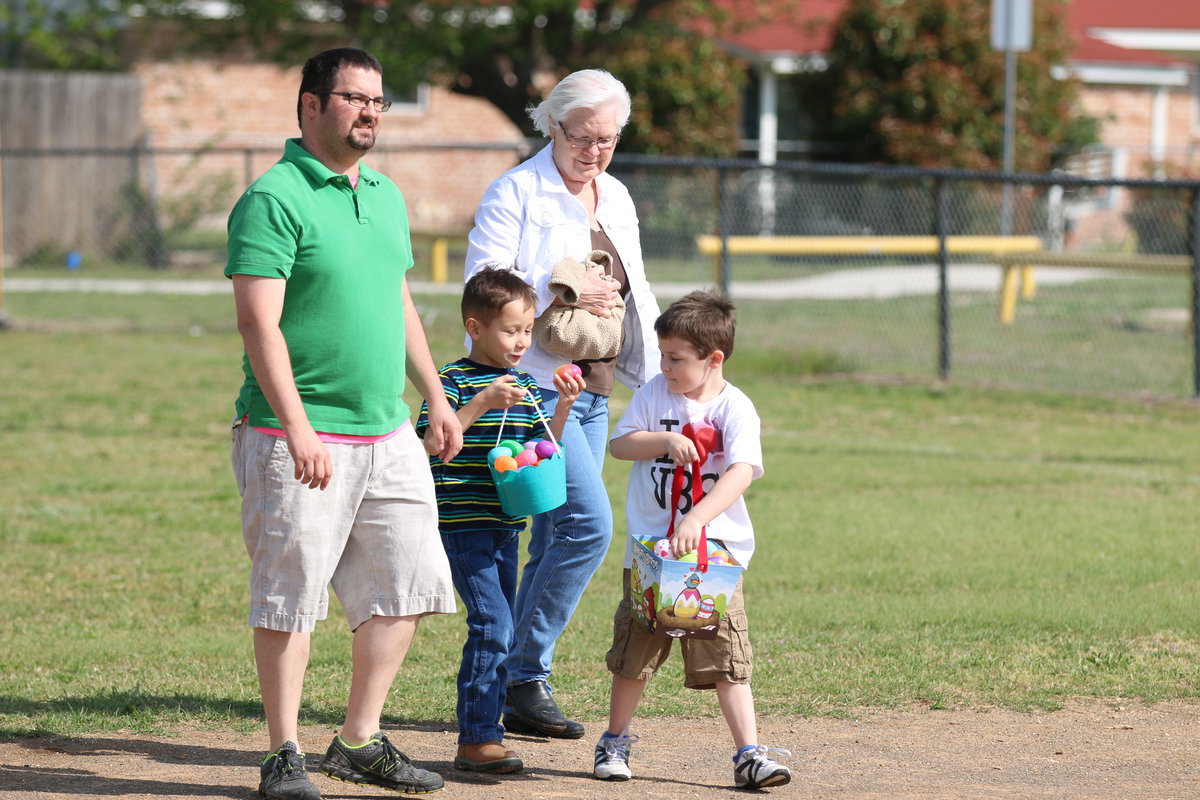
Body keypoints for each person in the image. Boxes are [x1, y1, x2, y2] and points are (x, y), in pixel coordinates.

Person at [226, 47, 461, 800]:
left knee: (408, 585)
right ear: (310, 105)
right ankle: (283, 753)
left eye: (378, 102)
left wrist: (436, 395)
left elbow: (397, 305)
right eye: (354, 98)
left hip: (387, 431)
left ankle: (358, 740)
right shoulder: (274, 198)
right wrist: (297, 428)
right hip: (297, 433)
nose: (369, 112)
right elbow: (259, 325)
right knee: (290, 593)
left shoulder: (386, 195)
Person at [464, 68, 661, 739]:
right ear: (553, 123)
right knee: (587, 526)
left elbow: (637, 291)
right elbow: (482, 288)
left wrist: (660, 382)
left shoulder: (617, 195)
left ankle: (509, 683)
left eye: (608, 140)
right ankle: (518, 672)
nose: (595, 151)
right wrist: (563, 293)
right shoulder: (516, 191)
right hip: (535, 391)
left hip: (595, 389)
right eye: (583, 136)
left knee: (550, 534)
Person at [593, 290, 792, 790]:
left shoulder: (737, 408)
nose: (665, 366)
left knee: (729, 658)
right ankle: (614, 742)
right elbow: (619, 445)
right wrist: (662, 440)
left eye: (677, 359)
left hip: (714, 557)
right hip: (650, 556)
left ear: (713, 358)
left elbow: (742, 472)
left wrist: (696, 520)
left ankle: (748, 754)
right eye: (662, 355)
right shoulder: (654, 393)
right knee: (636, 653)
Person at [415, 267, 586, 773]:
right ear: (475, 327)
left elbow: (542, 448)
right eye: (511, 330)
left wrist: (565, 407)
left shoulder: (526, 385)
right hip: (462, 522)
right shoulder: (450, 380)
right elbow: (431, 444)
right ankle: (477, 739)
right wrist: (480, 404)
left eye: (528, 330)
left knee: (499, 626)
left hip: (505, 524)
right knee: (493, 624)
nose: (521, 341)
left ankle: (483, 731)